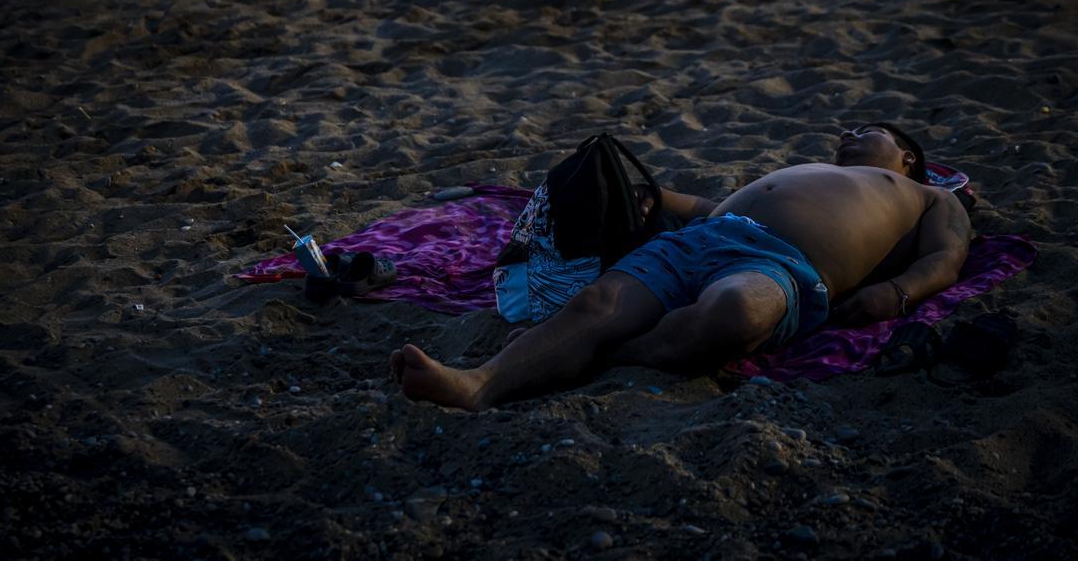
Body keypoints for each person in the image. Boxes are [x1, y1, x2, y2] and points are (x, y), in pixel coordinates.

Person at [392, 124, 971, 411]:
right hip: (704, 236)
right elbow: (713, 206)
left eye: (864, 132)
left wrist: (896, 293)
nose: (845, 136)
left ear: (907, 156)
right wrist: (654, 197)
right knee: (597, 305)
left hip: (783, 265)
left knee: (738, 312)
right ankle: (478, 383)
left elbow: (947, 258)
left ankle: (606, 352)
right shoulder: (814, 170)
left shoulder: (930, 197)